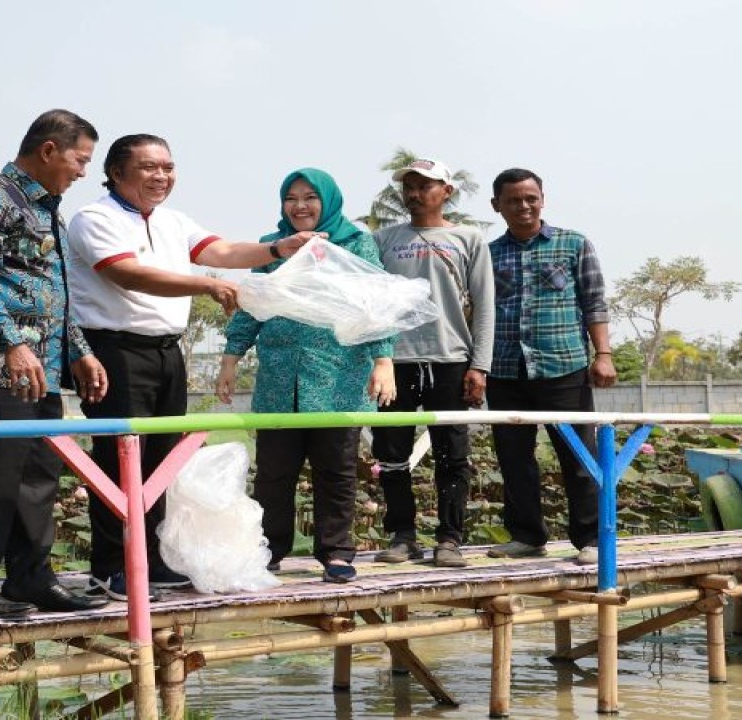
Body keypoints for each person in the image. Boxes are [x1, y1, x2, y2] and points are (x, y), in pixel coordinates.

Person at [67, 135, 316, 600]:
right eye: (148, 167)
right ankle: (110, 566)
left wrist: (280, 248)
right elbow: (126, 273)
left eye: (168, 166)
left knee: (162, 460)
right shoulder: (94, 218)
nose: (161, 176)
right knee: (120, 456)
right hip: (115, 351)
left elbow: (221, 252)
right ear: (117, 173)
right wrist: (205, 286)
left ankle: (153, 560)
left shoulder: (172, 221)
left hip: (165, 352)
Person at [0, 109, 110, 619]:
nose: (82, 172)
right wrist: (12, 342)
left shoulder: (46, 208)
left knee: (39, 474)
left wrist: (79, 351)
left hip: (41, 368)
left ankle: (30, 577)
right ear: (50, 150)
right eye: (80, 160)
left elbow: (53, 292)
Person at [216, 168, 395, 583]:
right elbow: (250, 304)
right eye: (291, 198)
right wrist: (230, 356)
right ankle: (268, 550)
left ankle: (335, 552)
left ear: (328, 201)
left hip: (338, 376)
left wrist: (383, 360)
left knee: (335, 469)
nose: (300, 206)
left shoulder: (355, 242)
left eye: (310, 197)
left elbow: (376, 304)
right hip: (280, 376)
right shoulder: (271, 247)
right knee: (274, 473)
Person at [485, 168, 616, 565]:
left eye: (531, 198)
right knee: (513, 458)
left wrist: (604, 355)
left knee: (578, 457)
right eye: (513, 200)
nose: (523, 206)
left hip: (564, 366)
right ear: (497, 206)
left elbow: (594, 301)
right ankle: (526, 536)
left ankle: (590, 539)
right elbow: (480, 312)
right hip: (505, 369)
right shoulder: (489, 254)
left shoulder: (573, 244)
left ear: (542, 199)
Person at [371, 159, 495, 568]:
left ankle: (450, 538)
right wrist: (377, 359)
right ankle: (402, 536)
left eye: (425, 186)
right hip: (397, 362)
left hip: (450, 360)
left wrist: (480, 366)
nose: (414, 193)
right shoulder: (384, 239)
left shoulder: (468, 238)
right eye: (408, 186)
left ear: (446, 191)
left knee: (452, 454)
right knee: (392, 453)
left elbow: (484, 305)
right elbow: (373, 302)